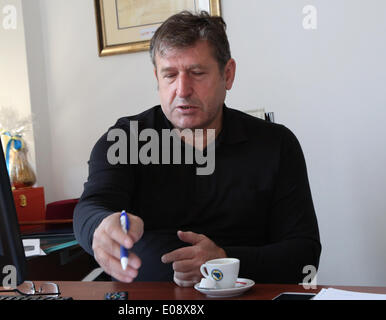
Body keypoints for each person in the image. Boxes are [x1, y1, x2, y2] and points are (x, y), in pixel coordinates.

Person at [73, 11, 321, 287]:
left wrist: (224, 261)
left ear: (228, 74)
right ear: (157, 77)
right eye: (169, 75)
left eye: (197, 73)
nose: (182, 89)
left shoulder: (276, 145)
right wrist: (100, 226)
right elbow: (91, 207)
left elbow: (304, 256)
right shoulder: (124, 140)